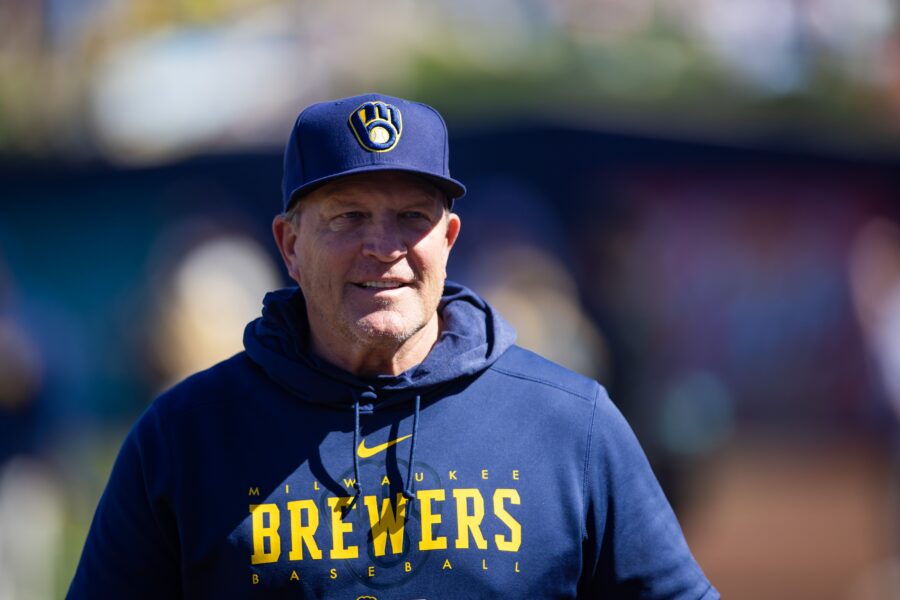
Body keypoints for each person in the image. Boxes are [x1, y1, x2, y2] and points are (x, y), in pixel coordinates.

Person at [68, 93, 718, 599]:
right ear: (290, 246)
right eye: (348, 216)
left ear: (450, 239)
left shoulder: (573, 426)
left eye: (413, 217)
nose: (384, 249)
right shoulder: (184, 439)